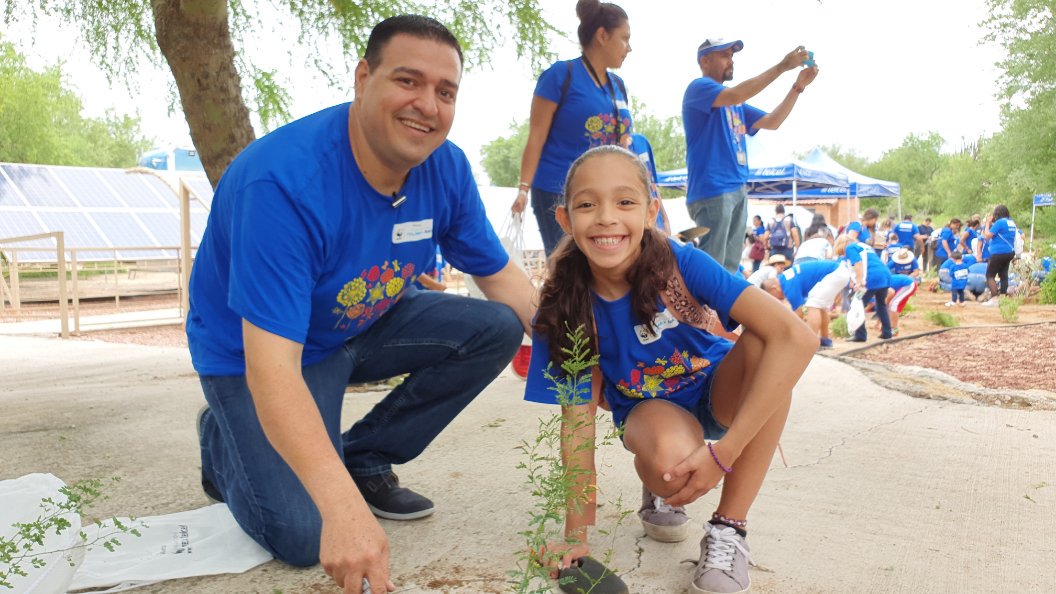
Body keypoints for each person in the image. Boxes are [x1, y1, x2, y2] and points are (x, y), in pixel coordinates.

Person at [186, 16, 535, 594]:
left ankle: (365, 455)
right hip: (264, 355)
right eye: (408, 81)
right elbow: (272, 370)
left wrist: (581, 347)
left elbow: (501, 279)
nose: (427, 105)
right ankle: (222, 440)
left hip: (361, 323)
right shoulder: (281, 183)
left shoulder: (444, 167)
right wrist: (340, 511)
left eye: (445, 92)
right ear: (363, 78)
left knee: (495, 328)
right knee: (304, 535)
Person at [523, 145, 816, 594]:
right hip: (650, 407)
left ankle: (728, 530)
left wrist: (725, 454)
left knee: (771, 348)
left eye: (624, 201)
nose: (605, 217)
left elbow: (798, 337)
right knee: (671, 468)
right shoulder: (565, 305)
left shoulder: (682, 263)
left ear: (651, 211)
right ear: (564, 219)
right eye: (587, 204)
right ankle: (657, 484)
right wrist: (575, 539)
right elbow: (577, 429)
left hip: (718, 385)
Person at [682, 39, 818, 272]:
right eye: (724, 55)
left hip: (736, 189)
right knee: (712, 266)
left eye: (732, 56)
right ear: (705, 61)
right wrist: (782, 66)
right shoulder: (699, 88)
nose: (731, 60)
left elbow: (773, 122)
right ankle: (703, 308)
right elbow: (735, 94)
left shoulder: (735, 105)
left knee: (730, 268)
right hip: (713, 188)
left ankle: (721, 309)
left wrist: (797, 88)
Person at [511, 0, 633, 256]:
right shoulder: (560, 75)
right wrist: (523, 190)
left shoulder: (618, 86)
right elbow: (536, 137)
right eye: (624, 38)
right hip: (558, 191)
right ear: (602, 36)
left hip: (603, 192)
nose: (629, 48)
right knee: (566, 266)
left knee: (604, 265)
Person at [760, 259, 851, 350]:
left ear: (774, 288)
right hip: (839, 272)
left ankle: (811, 344)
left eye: (773, 297)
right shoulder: (785, 280)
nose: (776, 300)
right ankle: (825, 341)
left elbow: (799, 313)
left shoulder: (788, 286)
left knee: (813, 306)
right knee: (820, 307)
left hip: (835, 273)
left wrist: (785, 331)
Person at [836, 235, 892, 342]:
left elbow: (858, 263)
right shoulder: (864, 246)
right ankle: (887, 332)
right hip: (884, 275)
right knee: (881, 304)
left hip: (871, 277)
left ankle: (860, 335)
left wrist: (859, 281)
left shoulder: (850, 248)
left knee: (858, 304)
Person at [981, 204, 1019, 307]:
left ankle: (994, 299)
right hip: (1009, 252)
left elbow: (987, 236)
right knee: (1003, 275)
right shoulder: (1011, 223)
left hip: (998, 252)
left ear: (996, 213)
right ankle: (1002, 298)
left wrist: (988, 223)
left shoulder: (999, 222)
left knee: (990, 275)